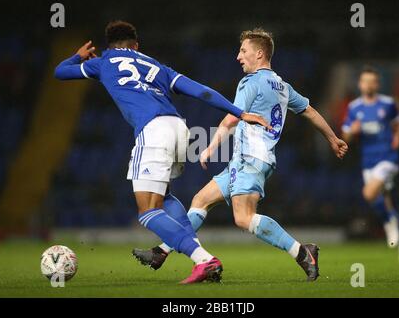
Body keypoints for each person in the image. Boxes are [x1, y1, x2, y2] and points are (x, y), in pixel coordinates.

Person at [54, 21, 271, 283]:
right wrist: (240, 113)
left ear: (110, 45)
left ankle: (204, 259)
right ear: (136, 46)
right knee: (165, 197)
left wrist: (77, 56)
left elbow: (60, 72)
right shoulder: (157, 65)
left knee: (147, 212)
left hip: (153, 131)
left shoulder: (102, 62)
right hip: (179, 128)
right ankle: (201, 258)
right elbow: (200, 91)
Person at [134, 28, 348, 281]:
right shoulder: (282, 85)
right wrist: (332, 138)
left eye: (243, 51)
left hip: (252, 159)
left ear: (259, 54)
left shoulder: (251, 82)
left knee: (243, 218)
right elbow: (310, 111)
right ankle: (162, 251)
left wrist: (211, 147)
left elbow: (233, 115)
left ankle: (302, 252)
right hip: (247, 160)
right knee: (201, 200)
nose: (238, 56)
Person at [341, 66, 399, 262]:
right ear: (360, 84)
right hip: (368, 162)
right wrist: (352, 131)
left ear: (377, 84)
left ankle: (389, 223)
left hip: (388, 158)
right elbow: (345, 134)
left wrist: (397, 137)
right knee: (383, 201)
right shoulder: (354, 107)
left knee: (368, 193)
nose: (369, 84)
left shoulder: (388, 104)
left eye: (372, 81)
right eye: (365, 81)